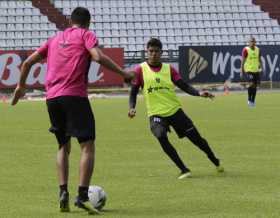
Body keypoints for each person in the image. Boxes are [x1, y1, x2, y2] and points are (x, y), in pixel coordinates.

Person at [11, 7, 134, 214]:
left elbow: (27, 63)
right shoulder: (86, 34)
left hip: (52, 99)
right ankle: (82, 196)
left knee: (62, 146)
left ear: (70, 21)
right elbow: (97, 56)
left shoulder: (54, 39)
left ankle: (63, 193)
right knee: (87, 146)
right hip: (74, 96)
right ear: (88, 22)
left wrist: (20, 87)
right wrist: (123, 73)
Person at [128, 38, 224, 180]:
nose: (153, 54)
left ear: (161, 53)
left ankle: (215, 160)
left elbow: (184, 86)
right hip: (156, 114)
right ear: (146, 52)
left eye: (156, 51)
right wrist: (132, 107)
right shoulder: (140, 70)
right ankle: (184, 169)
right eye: (151, 51)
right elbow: (133, 91)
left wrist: (198, 93)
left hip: (175, 111)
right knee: (160, 135)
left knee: (197, 140)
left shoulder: (169, 69)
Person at [241, 36, 262, 107]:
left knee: (255, 86)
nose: (253, 43)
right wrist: (241, 70)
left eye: (254, 42)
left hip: (256, 70)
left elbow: (259, 59)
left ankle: (253, 100)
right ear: (249, 43)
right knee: (251, 84)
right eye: (251, 42)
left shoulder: (258, 49)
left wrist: (261, 67)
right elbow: (243, 61)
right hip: (248, 70)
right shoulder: (246, 50)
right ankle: (249, 99)